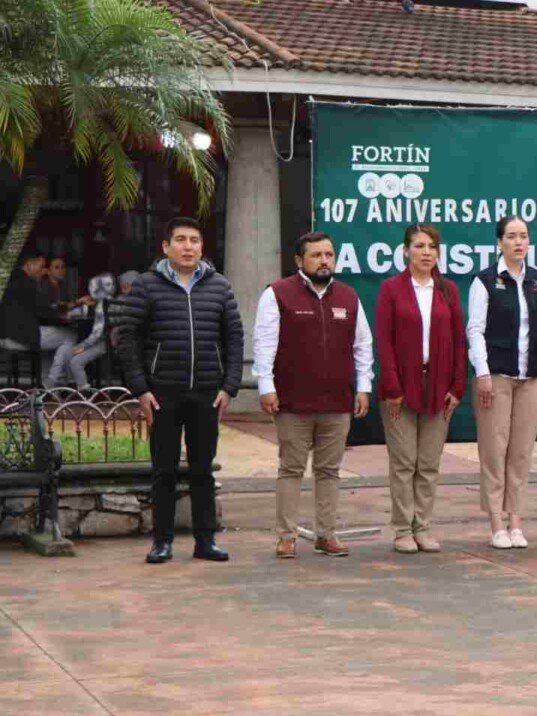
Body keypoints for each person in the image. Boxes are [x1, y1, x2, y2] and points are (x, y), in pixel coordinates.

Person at [117, 217, 244, 564]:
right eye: (181, 240)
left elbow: (234, 337)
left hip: (207, 393)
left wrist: (229, 386)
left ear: (202, 247)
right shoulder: (147, 285)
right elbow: (127, 339)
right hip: (163, 393)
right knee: (164, 471)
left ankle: (206, 541)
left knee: (203, 470)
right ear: (166, 246)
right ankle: (162, 541)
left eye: (195, 241)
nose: (189, 247)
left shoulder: (219, 286)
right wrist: (141, 388)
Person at [253, 231, 374, 559]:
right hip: (292, 402)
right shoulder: (277, 294)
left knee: (329, 470)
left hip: (337, 402)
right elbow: (264, 345)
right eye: (317, 255)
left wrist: (363, 386)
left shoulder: (349, 296)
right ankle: (286, 536)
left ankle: (326, 534)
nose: (324, 261)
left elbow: (362, 345)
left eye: (329, 255)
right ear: (299, 261)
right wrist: (266, 386)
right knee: (291, 469)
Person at [467, 216, 537, 550]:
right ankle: (495, 522)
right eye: (511, 236)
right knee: (495, 450)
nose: (519, 242)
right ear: (500, 242)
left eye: (523, 236)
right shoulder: (485, 281)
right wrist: (482, 373)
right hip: (496, 377)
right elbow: (474, 329)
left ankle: (515, 519)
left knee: (520, 453)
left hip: (532, 377)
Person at [375, 223, 466, 555]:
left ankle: (423, 527)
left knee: (428, 463)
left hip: (439, 389)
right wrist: (392, 388)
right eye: (419, 246)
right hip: (399, 390)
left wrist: (457, 387)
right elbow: (383, 343)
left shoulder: (448, 290)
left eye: (432, 247)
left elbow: (459, 341)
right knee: (404, 462)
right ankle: (402, 529)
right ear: (406, 251)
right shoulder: (391, 289)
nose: (426, 252)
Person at [0, 252, 77, 386]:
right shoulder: (28, 283)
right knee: (70, 336)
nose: (43, 271)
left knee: (51, 339)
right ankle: (53, 379)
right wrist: (64, 313)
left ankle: (47, 380)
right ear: (29, 265)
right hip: (20, 337)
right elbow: (43, 310)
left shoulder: (10, 279)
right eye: (40, 267)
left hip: (5, 335)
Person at [67, 273, 117, 389]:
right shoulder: (112, 302)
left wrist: (83, 346)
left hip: (103, 343)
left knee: (75, 361)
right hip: (111, 342)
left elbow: (97, 334)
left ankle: (85, 391)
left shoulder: (101, 306)